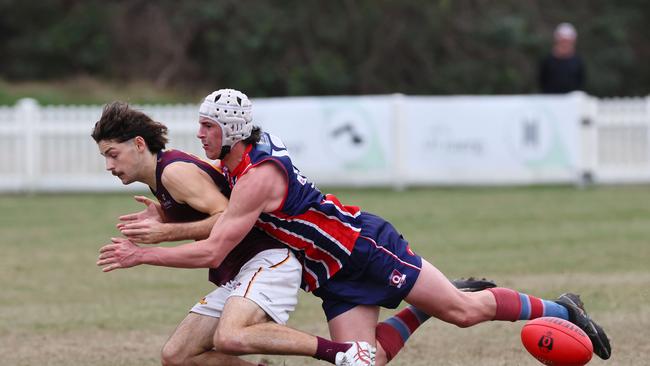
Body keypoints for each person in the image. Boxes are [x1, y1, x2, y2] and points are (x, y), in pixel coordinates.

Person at [98, 89, 611, 365]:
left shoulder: (254, 176)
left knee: (465, 311)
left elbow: (215, 250)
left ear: (231, 129)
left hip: (361, 247)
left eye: (209, 126)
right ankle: (419, 313)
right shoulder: (237, 159)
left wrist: (146, 250)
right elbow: (209, 203)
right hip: (328, 273)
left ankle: (561, 307)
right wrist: (166, 216)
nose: (200, 134)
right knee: (366, 361)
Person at [539, 22, 586, 94]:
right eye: (563, 40)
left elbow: (581, 82)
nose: (565, 44)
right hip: (550, 100)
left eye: (567, 41)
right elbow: (542, 81)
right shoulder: (547, 60)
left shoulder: (578, 61)